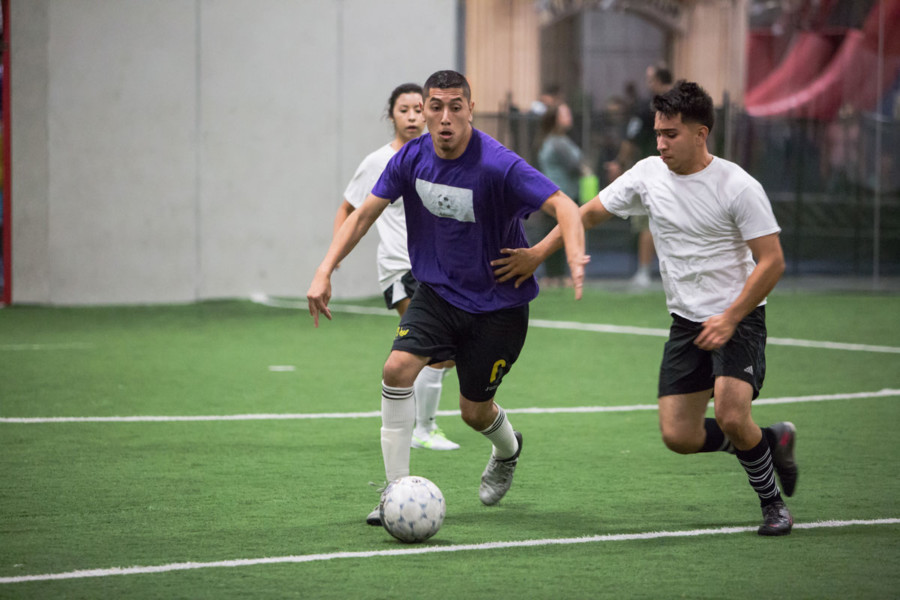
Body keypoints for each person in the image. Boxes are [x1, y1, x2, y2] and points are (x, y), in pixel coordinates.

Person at [493, 80, 798, 536]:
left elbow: (773, 262)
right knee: (679, 436)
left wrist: (731, 316)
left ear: (701, 133)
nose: (660, 142)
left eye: (671, 133)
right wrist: (538, 253)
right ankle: (770, 441)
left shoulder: (738, 186)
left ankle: (772, 504)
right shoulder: (647, 174)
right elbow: (586, 213)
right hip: (686, 322)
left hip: (738, 317)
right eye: (658, 132)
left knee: (734, 415)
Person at [308, 70, 586, 527]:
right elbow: (362, 217)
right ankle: (394, 491)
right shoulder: (411, 158)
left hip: (498, 306)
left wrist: (545, 254)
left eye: (455, 106)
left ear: (470, 110)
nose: (443, 117)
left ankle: (508, 449)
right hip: (436, 292)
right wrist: (324, 270)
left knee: (474, 412)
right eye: (434, 106)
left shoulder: (498, 165)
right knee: (397, 369)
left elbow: (566, 208)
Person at [333, 83, 459, 452]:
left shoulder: (438, 157)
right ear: (391, 115)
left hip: (433, 268)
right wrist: (335, 254)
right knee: (436, 349)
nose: (413, 117)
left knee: (442, 354)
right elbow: (348, 207)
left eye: (419, 109)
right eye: (404, 110)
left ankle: (415, 423)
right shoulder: (378, 161)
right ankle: (422, 428)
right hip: (399, 266)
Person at [614, 65, 674, 288]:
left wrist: (619, 163)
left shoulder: (648, 107)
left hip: (655, 174)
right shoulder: (683, 104)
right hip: (679, 171)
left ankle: (643, 272)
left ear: (658, 80)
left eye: (650, 79)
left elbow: (631, 139)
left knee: (647, 222)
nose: (648, 84)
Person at [534, 103, 591, 287]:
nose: (569, 117)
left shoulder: (552, 140)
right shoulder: (558, 142)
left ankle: (555, 275)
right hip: (562, 195)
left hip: (553, 194)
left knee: (556, 234)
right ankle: (557, 275)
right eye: (564, 113)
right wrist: (587, 170)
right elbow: (575, 165)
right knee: (562, 235)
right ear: (555, 119)